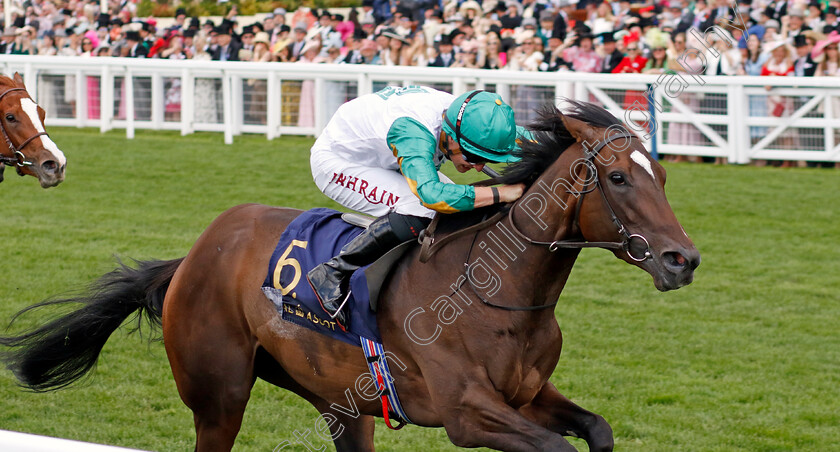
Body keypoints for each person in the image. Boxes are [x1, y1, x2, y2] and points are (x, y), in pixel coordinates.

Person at [307, 87, 527, 329]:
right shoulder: (413, 131)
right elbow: (431, 196)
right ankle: (333, 272)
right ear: (452, 137)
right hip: (339, 162)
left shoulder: (474, 120)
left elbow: (528, 139)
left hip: (381, 152)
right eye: (473, 157)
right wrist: (500, 193)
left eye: (486, 159)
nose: (478, 167)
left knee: (461, 206)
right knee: (422, 208)